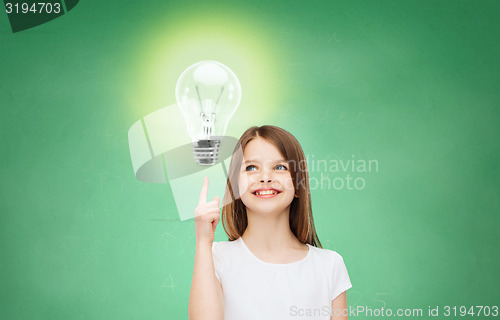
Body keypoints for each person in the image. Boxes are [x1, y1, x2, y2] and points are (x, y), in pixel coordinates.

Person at [189, 125, 352, 320]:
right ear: (235, 187)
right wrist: (202, 242)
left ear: (299, 184)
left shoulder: (329, 265)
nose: (265, 178)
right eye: (251, 168)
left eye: (280, 167)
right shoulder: (216, 258)